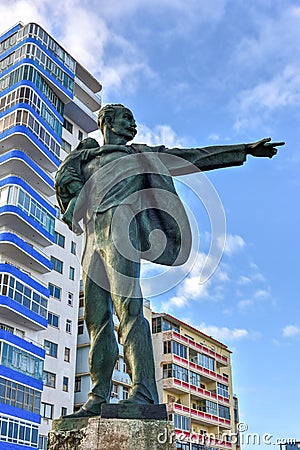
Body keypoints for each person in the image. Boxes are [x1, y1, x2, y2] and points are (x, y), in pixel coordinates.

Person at [56, 104, 284, 417]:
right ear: (107, 121)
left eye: (134, 119)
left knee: (129, 311)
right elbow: (66, 190)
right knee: (97, 321)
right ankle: (97, 397)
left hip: (123, 226)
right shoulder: (87, 160)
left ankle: (144, 392)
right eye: (127, 118)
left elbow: (194, 157)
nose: (133, 124)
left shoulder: (140, 156)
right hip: (92, 239)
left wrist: (243, 149)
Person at [55, 137, 100, 235]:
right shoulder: (81, 153)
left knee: (78, 198)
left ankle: (70, 213)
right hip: (68, 175)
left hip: (60, 178)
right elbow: (101, 150)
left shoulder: (72, 155)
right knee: (82, 193)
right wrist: (120, 149)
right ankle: (69, 215)